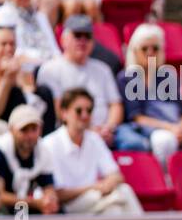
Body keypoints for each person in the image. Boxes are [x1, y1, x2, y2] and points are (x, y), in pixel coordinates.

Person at [39, 87, 143, 215]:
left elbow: (116, 176)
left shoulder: (94, 139)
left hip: (96, 199)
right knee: (119, 196)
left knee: (117, 202)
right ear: (64, 113)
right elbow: (57, 194)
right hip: (68, 206)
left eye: (89, 110)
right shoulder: (49, 144)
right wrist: (94, 188)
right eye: (79, 111)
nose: (85, 115)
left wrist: (107, 184)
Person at [116, 23, 182, 164]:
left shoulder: (168, 75)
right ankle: (165, 180)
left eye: (155, 48)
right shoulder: (127, 77)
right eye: (144, 48)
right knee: (164, 140)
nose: (150, 52)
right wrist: (171, 128)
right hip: (149, 130)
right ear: (134, 51)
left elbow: (181, 111)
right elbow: (137, 118)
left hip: (175, 127)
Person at [36, 15, 123, 145]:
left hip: (108, 133)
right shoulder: (50, 69)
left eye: (87, 36)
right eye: (77, 35)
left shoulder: (103, 68)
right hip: (69, 133)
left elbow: (116, 105)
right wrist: (90, 131)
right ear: (63, 39)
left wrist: (108, 127)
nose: (82, 41)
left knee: (135, 143)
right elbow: (59, 110)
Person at [0, 104, 60, 214]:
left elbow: (48, 187)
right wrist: (32, 202)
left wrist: (49, 200)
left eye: (34, 129)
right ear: (11, 130)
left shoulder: (43, 150)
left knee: (55, 212)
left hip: (25, 205)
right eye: (24, 130)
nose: (30, 135)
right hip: (1, 208)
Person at [0, 25, 53, 135]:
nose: (8, 49)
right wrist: (7, 80)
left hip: (27, 120)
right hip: (0, 124)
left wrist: (20, 80)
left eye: (12, 44)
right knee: (14, 93)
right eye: (3, 44)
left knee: (44, 91)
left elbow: (36, 104)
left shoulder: (22, 72)